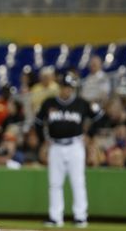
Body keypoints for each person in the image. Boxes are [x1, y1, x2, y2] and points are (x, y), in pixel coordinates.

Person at [35, 73, 104, 228]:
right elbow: (38, 122)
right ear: (60, 87)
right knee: (55, 183)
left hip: (75, 146)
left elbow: (99, 117)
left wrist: (91, 135)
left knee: (77, 182)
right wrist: (42, 141)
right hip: (55, 146)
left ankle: (80, 217)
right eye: (64, 87)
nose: (67, 91)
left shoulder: (81, 103)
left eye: (69, 88)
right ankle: (55, 217)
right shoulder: (49, 103)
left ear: (73, 89)